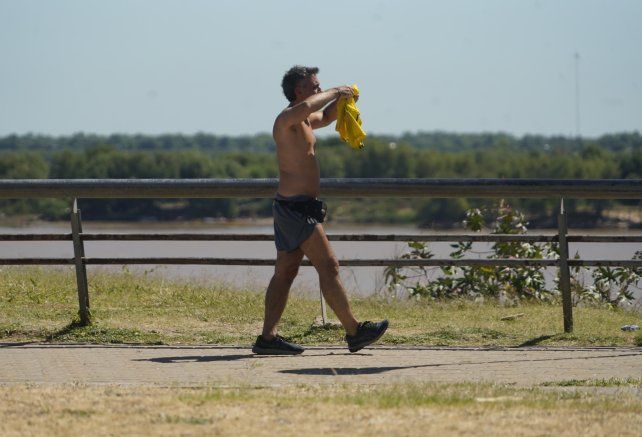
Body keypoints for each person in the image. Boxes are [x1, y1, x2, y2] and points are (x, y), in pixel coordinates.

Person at [252, 65, 388, 355]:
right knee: (329, 266)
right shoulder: (287, 119)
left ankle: (267, 339)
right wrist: (336, 91)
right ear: (299, 91)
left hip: (297, 207)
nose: (319, 89)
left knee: (285, 272)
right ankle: (354, 331)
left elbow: (325, 116)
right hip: (296, 209)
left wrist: (343, 103)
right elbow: (313, 105)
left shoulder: (303, 122)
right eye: (314, 86)